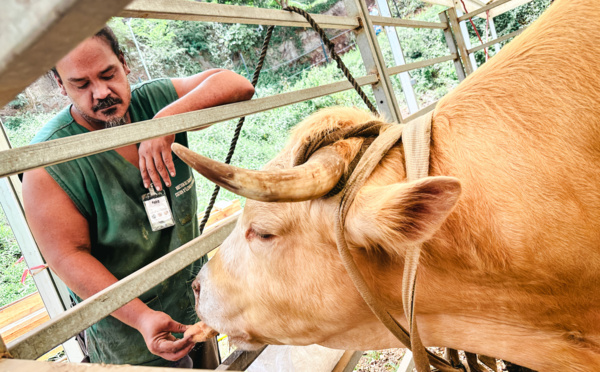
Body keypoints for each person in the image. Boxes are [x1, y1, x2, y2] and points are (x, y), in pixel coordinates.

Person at [21, 26, 255, 368]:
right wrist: (142, 318)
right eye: (81, 84)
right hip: (129, 332)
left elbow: (238, 84)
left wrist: (165, 121)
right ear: (60, 85)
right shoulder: (49, 160)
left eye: (107, 74)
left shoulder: (154, 102)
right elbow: (68, 256)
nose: (101, 92)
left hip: (192, 299)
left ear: (124, 63)